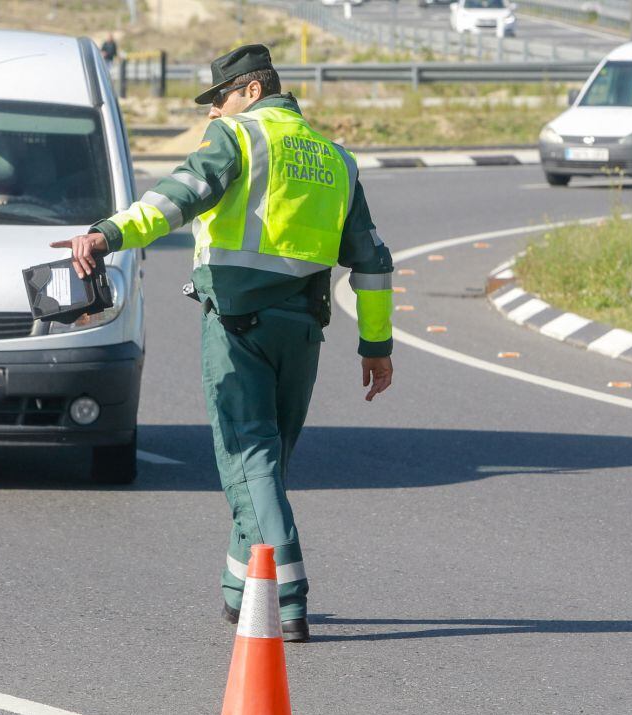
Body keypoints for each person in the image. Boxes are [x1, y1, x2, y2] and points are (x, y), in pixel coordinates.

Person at [50, 44, 394, 643]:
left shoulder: (240, 139)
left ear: (252, 91)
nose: (215, 112)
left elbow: (174, 201)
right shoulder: (338, 160)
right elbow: (372, 262)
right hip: (304, 332)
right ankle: (240, 591)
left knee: (248, 460)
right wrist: (376, 344)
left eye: (222, 98)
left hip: (238, 326)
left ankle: (290, 597)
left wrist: (107, 234)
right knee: (264, 468)